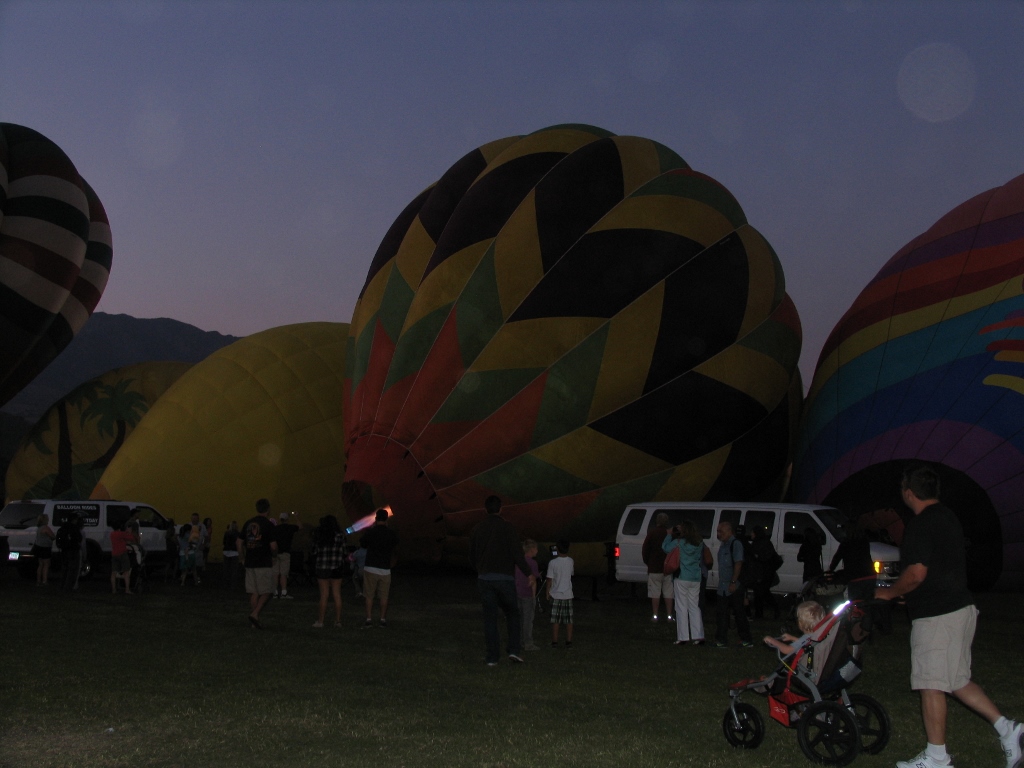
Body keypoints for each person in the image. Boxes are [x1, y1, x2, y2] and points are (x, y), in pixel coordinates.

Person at [875, 464, 1023, 768]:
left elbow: (916, 573)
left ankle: (937, 758)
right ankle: (1009, 731)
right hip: (961, 608)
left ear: (908, 493)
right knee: (956, 680)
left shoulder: (920, 524)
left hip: (937, 616)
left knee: (931, 682)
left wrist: (889, 593)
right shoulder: (948, 516)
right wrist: (913, 594)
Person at [469, 495, 535, 665]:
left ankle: (492, 657)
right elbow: (517, 555)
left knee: (490, 618)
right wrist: (529, 573)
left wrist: (480, 569)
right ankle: (513, 650)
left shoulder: (478, 529)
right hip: (504, 579)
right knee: (513, 614)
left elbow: (472, 555)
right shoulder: (508, 528)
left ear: (485, 509)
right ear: (500, 509)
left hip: (485, 579)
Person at [662, 519, 706, 646]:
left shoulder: (678, 542)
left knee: (681, 607)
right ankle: (698, 635)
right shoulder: (699, 543)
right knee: (694, 606)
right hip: (696, 577)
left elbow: (665, 548)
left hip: (682, 577)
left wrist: (669, 534)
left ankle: (683, 637)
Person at [713, 521, 753, 648]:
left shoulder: (735, 544)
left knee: (739, 613)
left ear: (729, 531)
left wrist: (733, 582)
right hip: (723, 586)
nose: (719, 534)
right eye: (718, 531)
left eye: (721, 532)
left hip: (734, 585)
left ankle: (746, 639)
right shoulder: (723, 545)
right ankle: (721, 639)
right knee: (721, 613)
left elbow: (738, 563)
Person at [240, 498, 278, 629]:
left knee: (254, 592)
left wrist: (242, 557)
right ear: (268, 509)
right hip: (263, 561)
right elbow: (273, 546)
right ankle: (255, 614)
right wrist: (274, 556)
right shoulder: (268, 525)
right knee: (267, 591)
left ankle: (254, 622)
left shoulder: (249, 523)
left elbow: (239, 542)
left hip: (250, 561)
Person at [360, 508, 399, 627]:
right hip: (385, 568)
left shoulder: (371, 532)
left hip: (371, 566)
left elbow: (363, 544)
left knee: (369, 594)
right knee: (384, 596)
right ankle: (382, 619)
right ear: (387, 519)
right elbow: (395, 546)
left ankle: (368, 619)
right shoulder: (391, 533)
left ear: (376, 519)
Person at [311, 515, 347, 628]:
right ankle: (338, 621)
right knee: (337, 594)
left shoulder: (320, 536)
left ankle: (321, 621)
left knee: (324, 595)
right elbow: (344, 552)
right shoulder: (340, 536)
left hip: (322, 567)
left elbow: (314, 551)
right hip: (336, 567)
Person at [641, 512, 674, 623]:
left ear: (657, 521)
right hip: (668, 569)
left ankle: (655, 615)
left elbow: (645, 550)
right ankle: (669, 615)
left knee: (655, 592)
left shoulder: (652, 533)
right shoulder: (669, 534)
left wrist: (649, 562)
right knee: (668, 592)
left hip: (654, 568)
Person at [546, 540, 574, 648]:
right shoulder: (570, 561)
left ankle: (555, 641)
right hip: (568, 594)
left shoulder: (553, 563)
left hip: (556, 594)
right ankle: (568, 641)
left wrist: (547, 592)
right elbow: (571, 573)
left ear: (557, 549)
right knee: (568, 619)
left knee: (555, 620)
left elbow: (549, 579)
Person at [515, 539, 542, 651]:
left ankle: (519, 641)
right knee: (528, 619)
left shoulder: (518, 561)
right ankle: (528, 643)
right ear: (531, 550)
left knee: (519, 618)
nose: (537, 550)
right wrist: (533, 596)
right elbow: (533, 581)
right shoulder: (532, 563)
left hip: (517, 592)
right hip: (527, 594)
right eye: (536, 548)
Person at [749, 526, 780, 621]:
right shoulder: (761, 542)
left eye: (752, 532)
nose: (751, 534)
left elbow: (764, 558)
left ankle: (766, 612)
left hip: (764, 573)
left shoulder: (761, 543)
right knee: (761, 594)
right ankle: (761, 613)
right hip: (763, 573)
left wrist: (757, 557)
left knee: (761, 593)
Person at [273, 512, 299, 598]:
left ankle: (275, 592)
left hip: (276, 553)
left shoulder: (276, 529)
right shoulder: (290, 528)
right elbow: (300, 527)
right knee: (283, 574)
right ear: (287, 519)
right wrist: (296, 517)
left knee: (275, 574)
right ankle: (284, 592)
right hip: (285, 553)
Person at [56, 513, 83, 592]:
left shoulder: (63, 527)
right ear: (74, 519)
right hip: (73, 550)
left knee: (65, 568)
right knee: (72, 569)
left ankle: (62, 585)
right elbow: (79, 538)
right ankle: (68, 587)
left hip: (64, 550)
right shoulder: (74, 528)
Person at [109, 522, 135, 594]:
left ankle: (114, 589)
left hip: (114, 554)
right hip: (122, 554)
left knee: (114, 572)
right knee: (126, 572)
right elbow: (131, 538)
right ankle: (127, 589)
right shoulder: (121, 534)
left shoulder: (112, 534)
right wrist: (129, 532)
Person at [33, 513, 55, 586]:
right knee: (46, 564)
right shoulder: (46, 528)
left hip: (39, 547)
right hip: (45, 548)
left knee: (40, 564)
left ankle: (38, 580)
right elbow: (52, 536)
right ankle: (44, 581)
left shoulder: (39, 528)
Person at [222, 521, 240, 590]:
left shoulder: (227, 533)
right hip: (235, 552)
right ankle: (233, 585)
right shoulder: (238, 534)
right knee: (234, 570)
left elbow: (224, 542)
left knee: (226, 569)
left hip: (226, 551)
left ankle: (225, 584)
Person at [164, 518, 179, 582]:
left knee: (169, 563)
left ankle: (166, 578)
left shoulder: (168, 530)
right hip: (173, 548)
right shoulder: (172, 530)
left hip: (169, 548)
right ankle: (173, 576)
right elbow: (174, 540)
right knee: (175, 563)